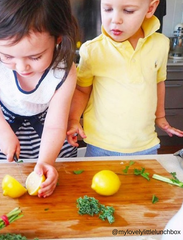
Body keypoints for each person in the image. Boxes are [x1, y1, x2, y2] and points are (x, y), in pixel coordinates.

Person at [0, 0, 78, 197]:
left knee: (40, 174)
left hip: (45, 131)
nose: (22, 67)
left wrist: (46, 162)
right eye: (8, 56)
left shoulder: (64, 71)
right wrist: (3, 132)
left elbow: (54, 125)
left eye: (35, 57)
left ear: (58, 37)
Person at [67, 0, 183, 157]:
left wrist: (160, 116)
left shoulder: (161, 44)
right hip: (101, 145)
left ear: (150, 8)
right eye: (107, 9)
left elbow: (158, 82)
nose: (115, 19)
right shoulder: (93, 50)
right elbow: (82, 89)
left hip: (145, 144)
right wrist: (73, 119)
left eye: (128, 11)